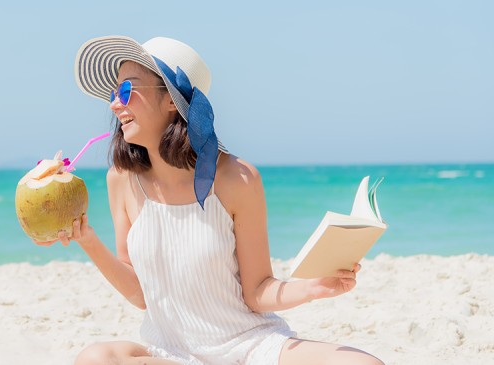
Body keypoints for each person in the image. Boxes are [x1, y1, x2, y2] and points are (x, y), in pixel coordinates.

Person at [35, 36, 384, 365]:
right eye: (114, 92)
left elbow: (258, 291)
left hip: (249, 348)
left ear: (171, 100)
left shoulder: (238, 179)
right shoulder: (122, 180)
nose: (115, 103)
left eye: (127, 90)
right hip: (170, 353)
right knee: (94, 358)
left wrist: (314, 287)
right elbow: (142, 294)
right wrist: (87, 239)